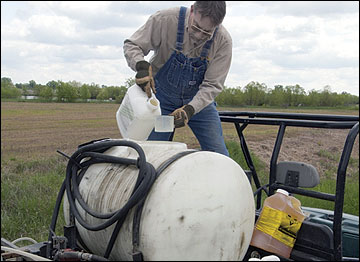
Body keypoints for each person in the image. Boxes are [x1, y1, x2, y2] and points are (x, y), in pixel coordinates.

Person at [123, 1, 232, 156]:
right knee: (150, 153)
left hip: (199, 104)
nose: (199, 36)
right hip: (160, 101)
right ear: (192, 10)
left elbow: (212, 86)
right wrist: (140, 66)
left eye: (207, 33)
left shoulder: (223, 41)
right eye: (196, 27)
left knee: (219, 154)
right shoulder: (165, 20)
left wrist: (190, 109)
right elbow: (132, 45)